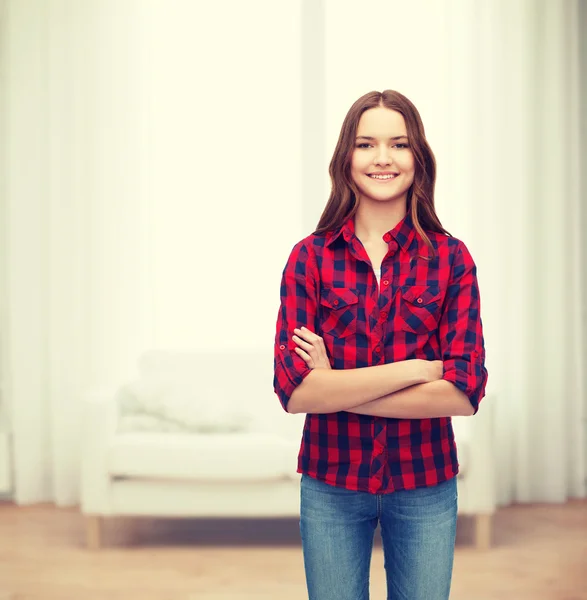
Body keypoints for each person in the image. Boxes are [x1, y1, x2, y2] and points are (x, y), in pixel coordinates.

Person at [273, 89, 488, 600]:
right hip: (331, 482)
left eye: (400, 143)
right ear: (346, 157)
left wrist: (336, 386)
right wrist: (419, 368)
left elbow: (463, 394)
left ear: (419, 158)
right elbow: (296, 393)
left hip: (424, 483)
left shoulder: (451, 259)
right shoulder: (310, 258)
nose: (383, 158)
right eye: (367, 144)